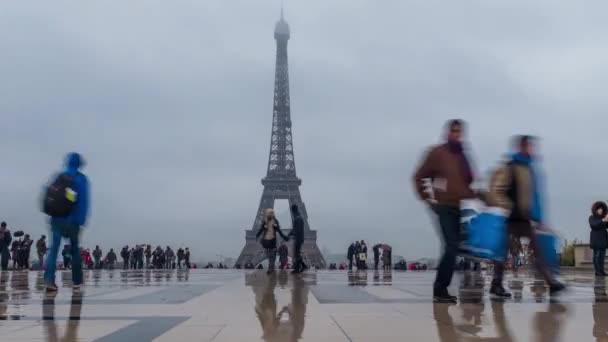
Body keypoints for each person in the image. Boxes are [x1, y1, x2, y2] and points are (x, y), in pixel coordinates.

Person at [487, 135, 565, 297]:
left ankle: (551, 283)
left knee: (537, 250)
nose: (532, 149)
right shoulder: (512, 166)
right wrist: (509, 206)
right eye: (529, 146)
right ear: (522, 147)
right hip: (511, 217)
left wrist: (538, 217)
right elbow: (498, 189)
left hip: (524, 218)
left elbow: (533, 196)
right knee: (503, 251)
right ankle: (496, 285)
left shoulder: (530, 168)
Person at [413, 119, 476, 303]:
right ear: (448, 132)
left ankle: (441, 287)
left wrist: (475, 195)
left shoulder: (462, 155)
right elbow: (419, 176)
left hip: (458, 206)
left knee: (453, 247)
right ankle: (440, 288)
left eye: (459, 131)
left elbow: (467, 181)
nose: (456, 134)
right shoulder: (437, 153)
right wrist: (428, 198)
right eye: (454, 131)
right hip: (443, 206)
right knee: (451, 246)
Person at [44, 152, 90, 292]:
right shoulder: (81, 179)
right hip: (72, 220)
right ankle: (76, 282)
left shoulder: (59, 176)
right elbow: (83, 202)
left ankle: (49, 279)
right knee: (75, 250)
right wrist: (81, 220)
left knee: (54, 249)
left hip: (56, 218)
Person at [256, 208, 289, 274]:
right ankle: (270, 268)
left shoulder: (265, 221)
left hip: (266, 242)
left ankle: (271, 268)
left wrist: (257, 235)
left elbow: (261, 230)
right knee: (272, 257)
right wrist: (284, 237)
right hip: (272, 242)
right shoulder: (275, 221)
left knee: (270, 256)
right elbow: (279, 231)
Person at [288, 204, 307, 274]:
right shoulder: (299, 217)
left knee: (296, 254)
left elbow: (295, 230)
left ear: (293, 211)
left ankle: (297, 268)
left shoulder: (297, 218)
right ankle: (303, 265)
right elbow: (296, 229)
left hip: (298, 238)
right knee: (297, 253)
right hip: (300, 238)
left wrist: (289, 235)